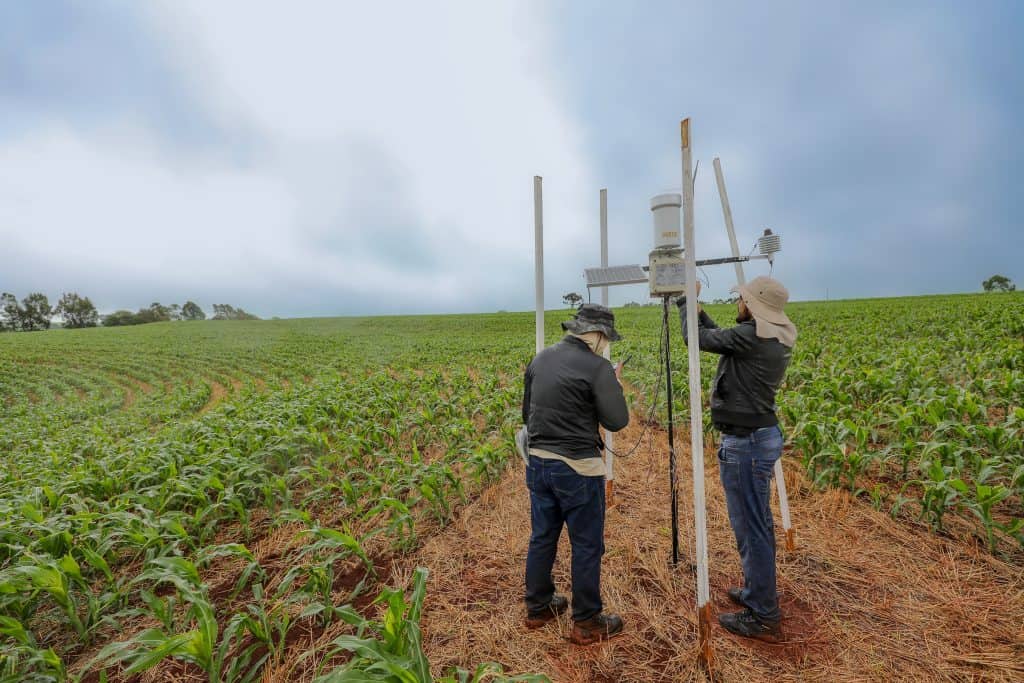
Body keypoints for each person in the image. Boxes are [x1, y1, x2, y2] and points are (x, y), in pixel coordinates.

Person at [677, 276, 797, 642]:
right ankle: (755, 593)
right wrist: (700, 311)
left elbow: (695, 339)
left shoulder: (751, 336)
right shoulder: (766, 335)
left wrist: (686, 303)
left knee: (752, 526)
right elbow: (724, 338)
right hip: (758, 438)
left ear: (752, 304)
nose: (738, 304)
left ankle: (763, 614)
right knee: (754, 522)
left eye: (741, 300)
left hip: (746, 444)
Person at [521, 303, 629, 645]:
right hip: (578, 469)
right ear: (596, 336)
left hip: (538, 462)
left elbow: (527, 412)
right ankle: (586, 621)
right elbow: (617, 421)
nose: (605, 344)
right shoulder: (599, 368)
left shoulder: (540, 358)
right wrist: (614, 384)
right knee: (586, 544)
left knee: (543, 535)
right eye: (606, 338)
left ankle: (538, 607)